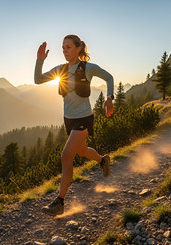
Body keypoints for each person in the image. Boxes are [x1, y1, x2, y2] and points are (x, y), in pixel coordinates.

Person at [34, 34, 114, 216]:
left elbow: (109, 77)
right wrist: (39, 61)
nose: (64, 51)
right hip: (68, 119)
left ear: (79, 48)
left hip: (84, 118)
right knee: (82, 151)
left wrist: (109, 98)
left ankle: (60, 202)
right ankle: (103, 160)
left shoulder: (88, 68)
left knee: (65, 156)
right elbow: (38, 80)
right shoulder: (60, 69)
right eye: (63, 48)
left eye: (68, 47)